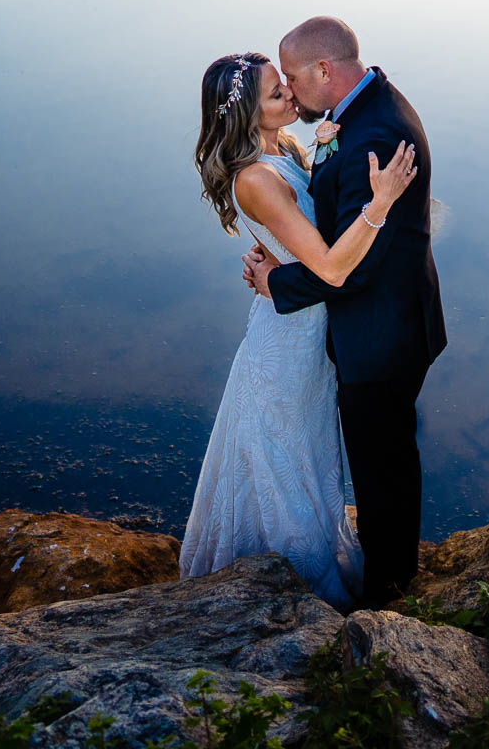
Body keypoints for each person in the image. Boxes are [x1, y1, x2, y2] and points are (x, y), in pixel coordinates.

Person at [180, 49, 417, 609]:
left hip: (311, 330)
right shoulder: (257, 180)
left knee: (309, 455)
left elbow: (308, 226)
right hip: (286, 345)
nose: (290, 93)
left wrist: (324, 152)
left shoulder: (283, 149)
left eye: (284, 84)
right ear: (247, 115)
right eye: (275, 93)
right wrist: (380, 203)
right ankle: (295, 588)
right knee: (282, 464)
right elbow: (332, 266)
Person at [244, 16, 446, 608]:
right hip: (383, 321)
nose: (287, 88)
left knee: (382, 471)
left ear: (324, 71)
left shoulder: (373, 134)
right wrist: (280, 251)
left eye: (291, 77)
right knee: (385, 461)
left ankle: (390, 596)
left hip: (381, 335)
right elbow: (331, 222)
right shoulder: (360, 111)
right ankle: (393, 575)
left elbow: (348, 267)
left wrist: (278, 282)